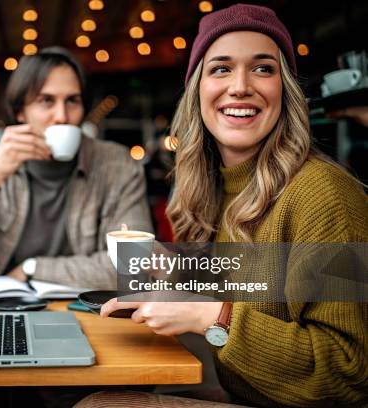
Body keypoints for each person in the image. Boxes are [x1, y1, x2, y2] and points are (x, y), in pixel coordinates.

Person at [76, 4, 368, 408]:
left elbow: (350, 375)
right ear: (198, 90)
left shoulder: (325, 196)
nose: (241, 86)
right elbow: (254, 290)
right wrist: (179, 270)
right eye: (221, 68)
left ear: (285, 89)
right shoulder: (211, 186)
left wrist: (210, 317)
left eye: (263, 69)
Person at [0, 47, 153, 289]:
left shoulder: (116, 166)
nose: (62, 116)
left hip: (86, 311)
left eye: (72, 101)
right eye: (46, 101)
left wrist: (32, 269)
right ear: (21, 112)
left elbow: (135, 267)